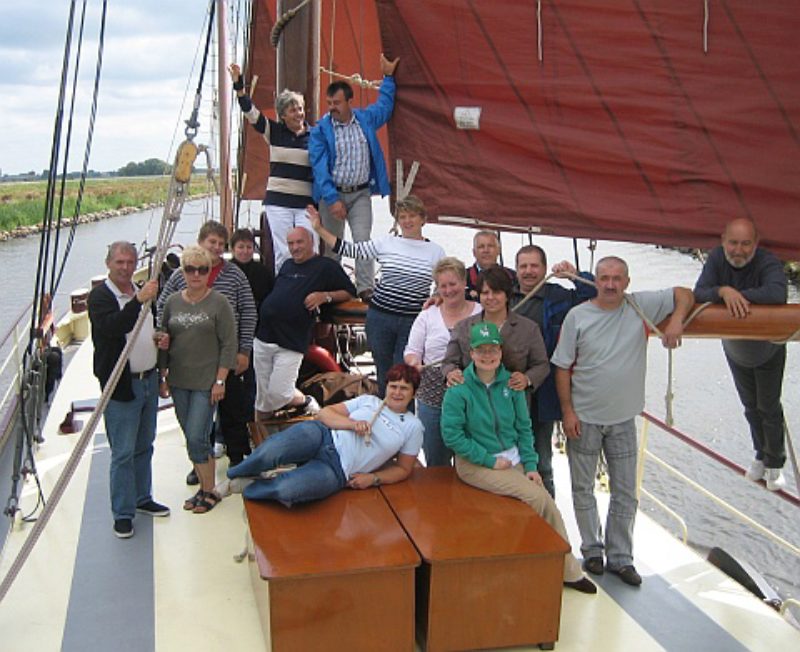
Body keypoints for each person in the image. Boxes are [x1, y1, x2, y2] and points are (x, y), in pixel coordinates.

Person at [552, 256, 693, 586]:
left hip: (623, 420)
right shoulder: (578, 316)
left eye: (617, 278)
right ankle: (592, 551)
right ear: (595, 280)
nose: (610, 284)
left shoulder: (639, 306)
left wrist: (677, 321)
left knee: (626, 492)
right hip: (584, 419)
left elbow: (683, 293)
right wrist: (568, 412)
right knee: (583, 489)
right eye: (604, 278)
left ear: (627, 282)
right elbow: (562, 366)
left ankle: (620, 558)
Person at [441, 322, 597, 594]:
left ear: (501, 351)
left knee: (539, 496)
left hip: (512, 458)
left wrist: (532, 466)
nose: (487, 355)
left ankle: (545, 565)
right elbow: (452, 436)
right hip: (476, 463)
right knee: (539, 499)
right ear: (471, 352)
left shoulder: (512, 385)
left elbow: (524, 430)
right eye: (481, 350)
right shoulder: (459, 389)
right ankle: (566, 570)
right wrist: (489, 461)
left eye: (492, 349)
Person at [221, 363, 423, 506]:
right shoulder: (369, 401)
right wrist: (351, 424)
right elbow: (324, 413)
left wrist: (374, 478)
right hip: (322, 436)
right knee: (271, 451)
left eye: (404, 388)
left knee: (287, 490)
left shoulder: (413, 426)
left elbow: (404, 469)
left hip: (338, 469)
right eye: (393, 386)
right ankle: (232, 477)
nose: (397, 393)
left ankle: (246, 486)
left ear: (413, 393)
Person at [308, 196, 445, 396]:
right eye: (402, 217)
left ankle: (403, 415)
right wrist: (319, 228)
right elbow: (350, 249)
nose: (407, 221)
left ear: (423, 219)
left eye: (412, 216)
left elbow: (443, 283)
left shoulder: (436, 251)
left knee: (404, 372)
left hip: (412, 322)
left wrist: (437, 295)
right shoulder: (386, 242)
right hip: (380, 318)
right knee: (384, 372)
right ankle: (384, 413)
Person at [694, 218, 788, 491]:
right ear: (723, 241)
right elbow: (699, 292)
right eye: (733, 243)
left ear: (755, 243)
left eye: (745, 244)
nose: (738, 250)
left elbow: (777, 293)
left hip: (768, 348)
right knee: (750, 407)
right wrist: (724, 291)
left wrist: (739, 296)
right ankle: (760, 454)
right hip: (736, 349)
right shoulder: (715, 260)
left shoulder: (768, 262)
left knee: (769, 407)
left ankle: (775, 464)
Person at [158, 220, 257, 472]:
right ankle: (200, 462)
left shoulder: (234, 274)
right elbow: (162, 307)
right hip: (193, 359)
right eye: (211, 242)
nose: (216, 248)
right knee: (197, 421)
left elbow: (248, 312)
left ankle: (237, 459)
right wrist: (165, 340)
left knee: (232, 410)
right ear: (201, 242)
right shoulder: (182, 275)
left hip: (227, 355)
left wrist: (244, 351)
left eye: (221, 245)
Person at [88, 242, 170, 539]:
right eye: (120, 262)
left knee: (144, 444)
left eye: (130, 262)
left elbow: (146, 328)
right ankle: (122, 513)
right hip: (123, 385)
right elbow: (114, 327)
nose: (125, 267)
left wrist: (158, 338)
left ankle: (142, 498)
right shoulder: (100, 298)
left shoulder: (140, 291)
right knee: (122, 452)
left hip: (148, 380)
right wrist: (138, 300)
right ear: (108, 263)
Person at [309, 53, 399, 300]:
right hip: (332, 194)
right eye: (329, 103)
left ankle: (365, 289)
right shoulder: (321, 131)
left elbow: (385, 106)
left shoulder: (365, 120)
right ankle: (333, 288)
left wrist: (388, 77)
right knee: (332, 245)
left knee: (362, 242)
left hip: (360, 193)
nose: (332, 107)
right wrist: (331, 198)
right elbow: (319, 167)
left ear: (350, 101)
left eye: (336, 102)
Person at [510, 245, 596, 497]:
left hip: (543, 391)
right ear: (515, 270)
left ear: (545, 269)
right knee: (507, 457)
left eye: (534, 266)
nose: (528, 271)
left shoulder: (559, 297)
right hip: (508, 391)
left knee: (541, 459)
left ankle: (546, 515)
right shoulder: (505, 298)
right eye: (523, 266)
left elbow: (593, 295)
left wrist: (576, 275)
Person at [158, 247, 238, 514]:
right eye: (190, 269)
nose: (196, 274)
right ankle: (205, 489)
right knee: (193, 437)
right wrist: (163, 374)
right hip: (179, 379)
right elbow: (163, 337)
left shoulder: (219, 303)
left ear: (208, 273)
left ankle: (210, 490)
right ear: (183, 272)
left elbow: (229, 344)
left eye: (202, 269)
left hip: (206, 382)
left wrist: (221, 381)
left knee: (196, 436)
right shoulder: (172, 303)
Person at [254, 226, 356, 420]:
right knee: (262, 398)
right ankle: (259, 441)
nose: (295, 247)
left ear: (311, 242)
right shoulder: (287, 265)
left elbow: (349, 292)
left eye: (299, 242)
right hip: (264, 336)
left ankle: (306, 402)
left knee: (279, 394)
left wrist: (324, 296)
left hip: (291, 340)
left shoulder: (326, 267)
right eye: (291, 243)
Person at [229, 63, 318, 272]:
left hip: (305, 204)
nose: (298, 113)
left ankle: (309, 290)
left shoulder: (315, 136)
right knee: (285, 251)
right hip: (279, 204)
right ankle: (285, 290)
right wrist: (239, 85)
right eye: (292, 110)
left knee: (309, 248)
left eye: (300, 108)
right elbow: (250, 112)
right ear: (283, 115)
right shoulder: (274, 131)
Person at [404, 257, 481, 467]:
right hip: (433, 395)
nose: (448, 290)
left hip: (473, 393)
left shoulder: (480, 313)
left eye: (453, 284)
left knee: (472, 461)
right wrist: (413, 362)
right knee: (436, 460)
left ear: (464, 282)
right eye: (442, 286)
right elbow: (412, 350)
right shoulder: (427, 316)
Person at [442, 266, 549, 398]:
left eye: (496, 292)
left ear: (507, 295)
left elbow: (542, 365)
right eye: (485, 293)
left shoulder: (529, 328)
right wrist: (451, 373)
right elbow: (448, 362)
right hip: (473, 403)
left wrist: (526, 379)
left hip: (514, 404)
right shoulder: (463, 328)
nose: (490, 297)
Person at [464, 230, 516, 300]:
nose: (486, 250)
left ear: (499, 250)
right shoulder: (462, 278)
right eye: (481, 247)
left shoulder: (512, 277)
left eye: (490, 246)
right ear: (474, 252)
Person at [230, 228, 273, 311]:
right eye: (241, 247)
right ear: (232, 249)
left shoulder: (263, 272)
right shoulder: (225, 271)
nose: (245, 251)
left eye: (249, 247)